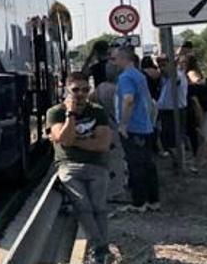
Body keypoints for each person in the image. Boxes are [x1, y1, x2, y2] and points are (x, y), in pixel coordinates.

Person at [47, 72, 112, 263]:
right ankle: (101, 247)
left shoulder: (97, 111)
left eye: (85, 89)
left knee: (98, 208)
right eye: (76, 90)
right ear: (66, 89)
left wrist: (74, 141)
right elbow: (65, 139)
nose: (81, 94)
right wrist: (70, 114)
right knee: (83, 205)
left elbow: (102, 144)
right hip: (69, 166)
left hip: (97, 165)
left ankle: (100, 249)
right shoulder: (56, 112)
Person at [113, 47, 160, 213]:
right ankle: (153, 200)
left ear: (125, 59)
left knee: (135, 165)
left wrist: (123, 124)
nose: (114, 62)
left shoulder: (125, 77)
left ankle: (138, 203)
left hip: (133, 127)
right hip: (145, 126)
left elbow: (128, 99)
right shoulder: (139, 75)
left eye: (116, 59)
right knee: (148, 164)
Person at [89, 62, 127, 201]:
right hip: (118, 128)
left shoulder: (100, 88)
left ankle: (110, 190)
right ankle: (117, 191)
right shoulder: (119, 89)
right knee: (120, 159)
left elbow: (91, 101)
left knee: (109, 162)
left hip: (106, 127)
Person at [156, 53, 190, 168]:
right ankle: (177, 161)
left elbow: (176, 79)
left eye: (164, 65)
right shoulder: (165, 79)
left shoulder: (177, 76)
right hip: (166, 112)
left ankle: (180, 163)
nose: (161, 68)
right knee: (167, 140)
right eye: (159, 65)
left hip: (175, 112)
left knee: (176, 139)